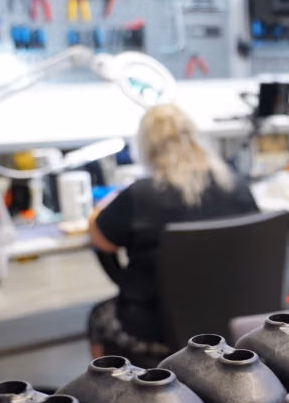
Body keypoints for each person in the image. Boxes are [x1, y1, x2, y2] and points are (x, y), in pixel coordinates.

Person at [87, 103, 258, 366]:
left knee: (99, 316)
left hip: (155, 330)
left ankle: (112, 399)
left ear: (146, 147)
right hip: (232, 325)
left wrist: (103, 204)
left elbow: (100, 240)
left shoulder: (141, 194)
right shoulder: (237, 186)